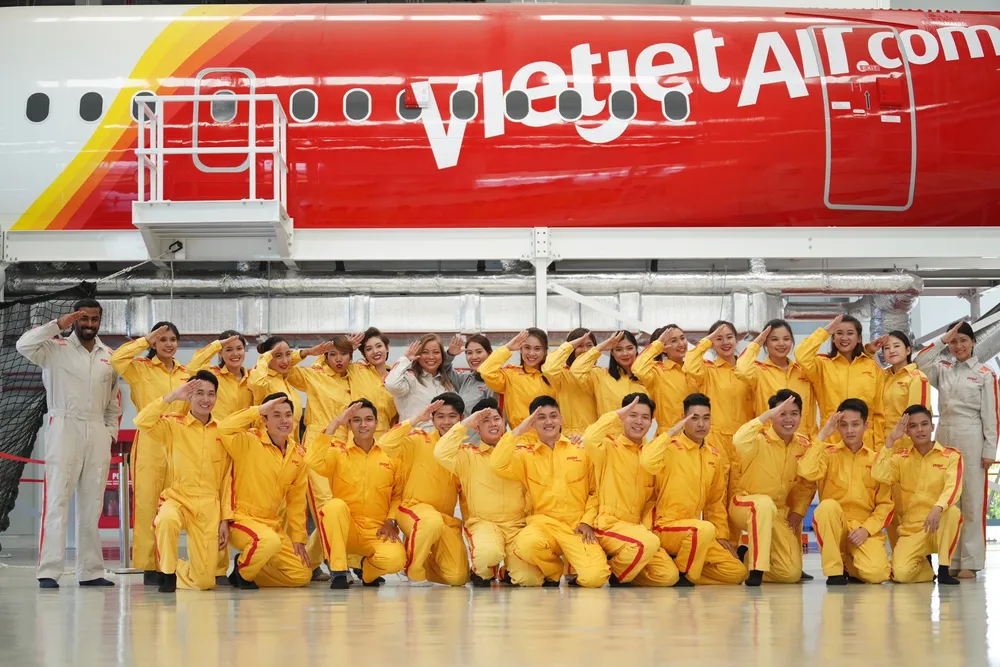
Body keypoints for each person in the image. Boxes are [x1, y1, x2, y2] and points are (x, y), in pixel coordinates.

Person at [16, 299, 122, 589]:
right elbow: (23, 345)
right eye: (84, 318)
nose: (90, 324)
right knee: (57, 500)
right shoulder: (54, 348)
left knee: (92, 503)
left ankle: (91, 571)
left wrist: (109, 433)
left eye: (94, 319)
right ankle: (49, 571)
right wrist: (56, 325)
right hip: (63, 425)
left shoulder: (109, 356)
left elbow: (114, 402)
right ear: (75, 319)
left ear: (100, 321)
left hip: (96, 429)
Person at [492, 396, 611, 588]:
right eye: (541, 417)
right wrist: (518, 431)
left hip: (576, 527)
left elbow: (595, 492)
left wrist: (587, 521)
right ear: (532, 423)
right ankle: (554, 571)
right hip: (543, 525)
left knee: (595, 578)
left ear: (562, 419)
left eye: (553, 416)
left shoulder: (581, 450)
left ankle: (573, 570)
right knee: (526, 545)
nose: (548, 422)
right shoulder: (525, 455)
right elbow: (498, 464)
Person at [915, 320, 997, 578]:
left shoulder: (985, 374)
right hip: (944, 436)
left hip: (972, 437)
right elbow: (919, 362)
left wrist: (989, 450)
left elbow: (992, 415)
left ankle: (970, 561)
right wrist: (942, 339)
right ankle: (949, 559)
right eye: (953, 341)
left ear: (973, 342)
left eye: (963, 340)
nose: (958, 346)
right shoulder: (943, 369)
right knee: (948, 500)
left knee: (972, 500)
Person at [136, 372, 233, 592]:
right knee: (166, 520)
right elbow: (142, 421)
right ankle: (167, 573)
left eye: (211, 394)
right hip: (178, 497)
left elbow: (228, 478)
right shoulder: (173, 425)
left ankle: (180, 569)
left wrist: (225, 518)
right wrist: (172, 396)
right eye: (199, 393)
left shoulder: (224, 431)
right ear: (189, 396)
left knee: (205, 583)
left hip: (209, 504)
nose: (205, 399)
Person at [639, 393, 747, 585]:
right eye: (694, 418)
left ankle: (679, 567)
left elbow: (715, 502)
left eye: (706, 418)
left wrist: (722, 536)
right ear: (683, 419)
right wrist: (671, 431)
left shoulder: (713, 456)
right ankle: (683, 574)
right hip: (665, 527)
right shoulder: (668, 448)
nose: (701, 424)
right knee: (704, 528)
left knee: (737, 572)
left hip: (695, 534)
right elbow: (647, 461)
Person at [110, 321, 188, 584]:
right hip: (150, 440)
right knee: (147, 505)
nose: (168, 344)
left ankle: (168, 563)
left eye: (173, 339)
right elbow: (117, 359)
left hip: (178, 443)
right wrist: (145, 339)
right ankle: (148, 567)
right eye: (162, 339)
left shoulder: (186, 373)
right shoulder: (140, 368)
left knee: (173, 504)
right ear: (154, 342)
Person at [433, 397, 533, 586]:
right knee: (488, 554)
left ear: (503, 422)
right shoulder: (467, 455)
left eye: (496, 419)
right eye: (485, 421)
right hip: (484, 524)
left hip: (517, 525)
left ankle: (506, 571)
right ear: (477, 428)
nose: (493, 424)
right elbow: (440, 453)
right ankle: (481, 571)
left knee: (529, 579)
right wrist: (465, 425)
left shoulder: (520, 451)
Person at [307, 399, 406, 589]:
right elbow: (312, 461)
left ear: (376, 423)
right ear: (349, 425)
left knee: (396, 561)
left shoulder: (391, 457)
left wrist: (390, 520)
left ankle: (367, 571)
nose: (363, 425)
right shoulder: (338, 453)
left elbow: (398, 494)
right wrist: (336, 422)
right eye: (356, 420)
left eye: (368, 419)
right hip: (347, 529)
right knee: (333, 506)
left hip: (376, 530)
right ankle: (338, 572)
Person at [583, 394, 680, 587]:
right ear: (623, 418)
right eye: (632, 415)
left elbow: (651, 501)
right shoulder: (608, 447)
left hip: (637, 529)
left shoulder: (650, 457)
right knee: (647, 543)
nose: (639, 422)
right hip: (608, 525)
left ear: (651, 421)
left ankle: (619, 567)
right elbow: (589, 438)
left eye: (645, 417)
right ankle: (616, 575)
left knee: (668, 576)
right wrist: (616, 415)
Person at [218, 394, 312, 589]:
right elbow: (224, 428)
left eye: (288, 415)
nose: (284, 420)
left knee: (301, 575)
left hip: (271, 524)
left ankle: (251, 565)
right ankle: (242, 573)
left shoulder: (298, 455)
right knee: (267, 541)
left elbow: (296, 501)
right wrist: (258, 409)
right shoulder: (249, 441)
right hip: (242, 519)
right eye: (276, 415)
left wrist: (299, 538)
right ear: (264, 419)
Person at [797, 399, 893, 586]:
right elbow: (806, 471)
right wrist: (823, 434)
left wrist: (866, 530)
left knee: (877, 575)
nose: (849, 430)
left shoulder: (876, 460)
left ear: (866, 426)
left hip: (862, 528)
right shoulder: (827, 454)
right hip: (835, 525)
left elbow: (885, 504)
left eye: (855, 424)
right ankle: (835, 572)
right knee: (827, 507)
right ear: (837, 427)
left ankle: (849, 563)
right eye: (843, 425)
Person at [378, 393, 469, 586]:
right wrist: (416, 419)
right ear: (432, 419)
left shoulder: (465, 451)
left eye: (452, 416)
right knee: (430, 521)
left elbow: (467, 497)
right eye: (440, 416)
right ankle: (413, 569)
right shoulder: (419, 439)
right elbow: (385, 445)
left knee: (457, 577)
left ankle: (420, 554)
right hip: (412, 509)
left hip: (444, 520)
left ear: (461, 418)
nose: (446, 422)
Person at [730, 390, 816, 586]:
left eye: (794, 413)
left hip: (778, 512)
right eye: (781, 413)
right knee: (763, 504)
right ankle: (756, 569)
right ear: (771, 415)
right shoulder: (757, 439)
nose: (788, 419)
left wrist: (798, 511)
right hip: (745, 504)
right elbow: (738, 440)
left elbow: (807, 483)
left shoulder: (803, 445)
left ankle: (745, 557)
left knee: (791, 574)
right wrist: (765, 416)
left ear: (801, 416)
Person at [873, 406, 963, 585]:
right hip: (912, 529)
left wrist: (938, 508)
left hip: (938, 525)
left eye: (924, 424)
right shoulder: (900, 459)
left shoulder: (951, 456)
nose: (920, 430)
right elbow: (880, 474)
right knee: (901, 574)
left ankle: (944, 569)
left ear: (932, 426)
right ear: (906, 431)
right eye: (913, 426)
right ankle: (926, 570)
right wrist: (891, 440)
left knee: (953, 512)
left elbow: (953, 487)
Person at [683, 321, 754, 541]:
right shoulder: (708, 370)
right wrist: (707, 340)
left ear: (737, 339)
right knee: (717, 498)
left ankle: (734, 545)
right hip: (716, 440)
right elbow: (689, 364)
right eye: (719, 338)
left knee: (739, 497)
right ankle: (719, 545)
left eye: (729, 337)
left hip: (743, 443)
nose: (725, 342)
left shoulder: (749, 369)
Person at [795, 315, 886, 450]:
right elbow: (801, 355)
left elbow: (879, 414)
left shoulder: (873, 368)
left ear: (859, 338)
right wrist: (825, 332)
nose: (844, 338)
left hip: (865, 445)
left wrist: (878, 449)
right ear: (833, 338)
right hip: (831, 442)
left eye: (850, 333)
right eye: (839, 333)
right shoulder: (822, 365)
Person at [879, 330, 932, 547]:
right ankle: (898, 554)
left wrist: (914, 451)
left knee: (911, 506)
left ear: (908, 350)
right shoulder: (884, 377)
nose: (891, 351)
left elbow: (918, 419)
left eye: (896, 346)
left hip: (907, 450)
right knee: (889, 505)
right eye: (886, 348)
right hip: (886, 447)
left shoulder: (916, 378)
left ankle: (919, 556)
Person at [736, 319, 818, 436]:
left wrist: (813, 441)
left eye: (786, 339)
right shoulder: (758, 372)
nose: (781, 344)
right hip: (769, 441)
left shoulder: (803, 372)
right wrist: (757, 343)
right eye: (774, 339)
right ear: (765, 342)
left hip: (801, 442)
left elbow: (810, 416)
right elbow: (741, 371)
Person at [478, 328, 555, 428]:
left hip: (552, 435)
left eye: (537, 349)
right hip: (521, 436)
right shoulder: (511, 375)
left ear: (545, 351)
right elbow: (486, 372)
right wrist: (508, 348)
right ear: (520, 349)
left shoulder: (554, 375)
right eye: (527, 347)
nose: (531, 353)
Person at [632, 324, 694, 435]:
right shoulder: (657, 371)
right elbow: (637, 368)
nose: (681, 344)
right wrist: (657, 346)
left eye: (682, 338)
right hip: (669, 436)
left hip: (695, 434)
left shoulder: (694, 369)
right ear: (664, 348)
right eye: (674, 341)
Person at [384, 334, 456, 429]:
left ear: (442, 355)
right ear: (417, 355)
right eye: (425, 352)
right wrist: (405, 359)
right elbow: (391, 385)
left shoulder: (446, 381)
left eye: (436, 352)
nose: (431, 357)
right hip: (412, 436)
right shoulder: (409, 378)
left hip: (442, 437)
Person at [571, 331, 647, 415]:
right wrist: (601, 348)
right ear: (612, 352)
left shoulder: (647, 376)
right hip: (609, 424)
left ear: (636, 349)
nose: (625, 353)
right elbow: (576, 371)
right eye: (619, 349)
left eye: (629, 348)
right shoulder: (600, 375)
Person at [541, 328, 599, 435]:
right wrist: (570, 345)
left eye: (589, 345)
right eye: (579, 345)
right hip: (570, 437)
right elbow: (549, 368)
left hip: (595, 436)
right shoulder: (562, 375)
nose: (585, 350)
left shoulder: (600, 373)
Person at [187, 330, 253, 419]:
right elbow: (192, 367)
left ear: (244, 349)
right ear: (220, 352)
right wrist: (217, 345)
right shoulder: (213, 375)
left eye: (239, 348)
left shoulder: (253, 377)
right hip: (218, 427)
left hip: (246, 428)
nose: (235, 354)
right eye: (229, 350)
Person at [350, 327, 398, 437]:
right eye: (369, 349)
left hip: (387, 438)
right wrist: (347, 347)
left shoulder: (397, 377)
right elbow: (328, 364)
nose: (375, 351)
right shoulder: (355, 370)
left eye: (379, 346)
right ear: (364, 354)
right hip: (358, 437)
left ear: (387, 348)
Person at [443, 334, 497, 417]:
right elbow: (444, 370)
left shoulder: (496, 381)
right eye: (469, 353)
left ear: (489, 354)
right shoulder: (467, 379)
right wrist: (450, 354)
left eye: (479, 352)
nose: (474, 357)